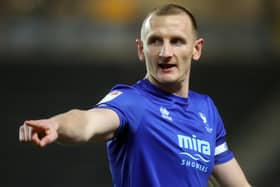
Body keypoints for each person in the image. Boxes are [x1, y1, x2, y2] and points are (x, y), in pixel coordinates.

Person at [19, 3, 251, 187]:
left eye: (177, 41)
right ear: (141, 49)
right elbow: (87, 121)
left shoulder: (206, 110)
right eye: (155, 41)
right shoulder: (132, 102)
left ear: (196, 49)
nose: (165, 52)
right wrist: (56, 124)